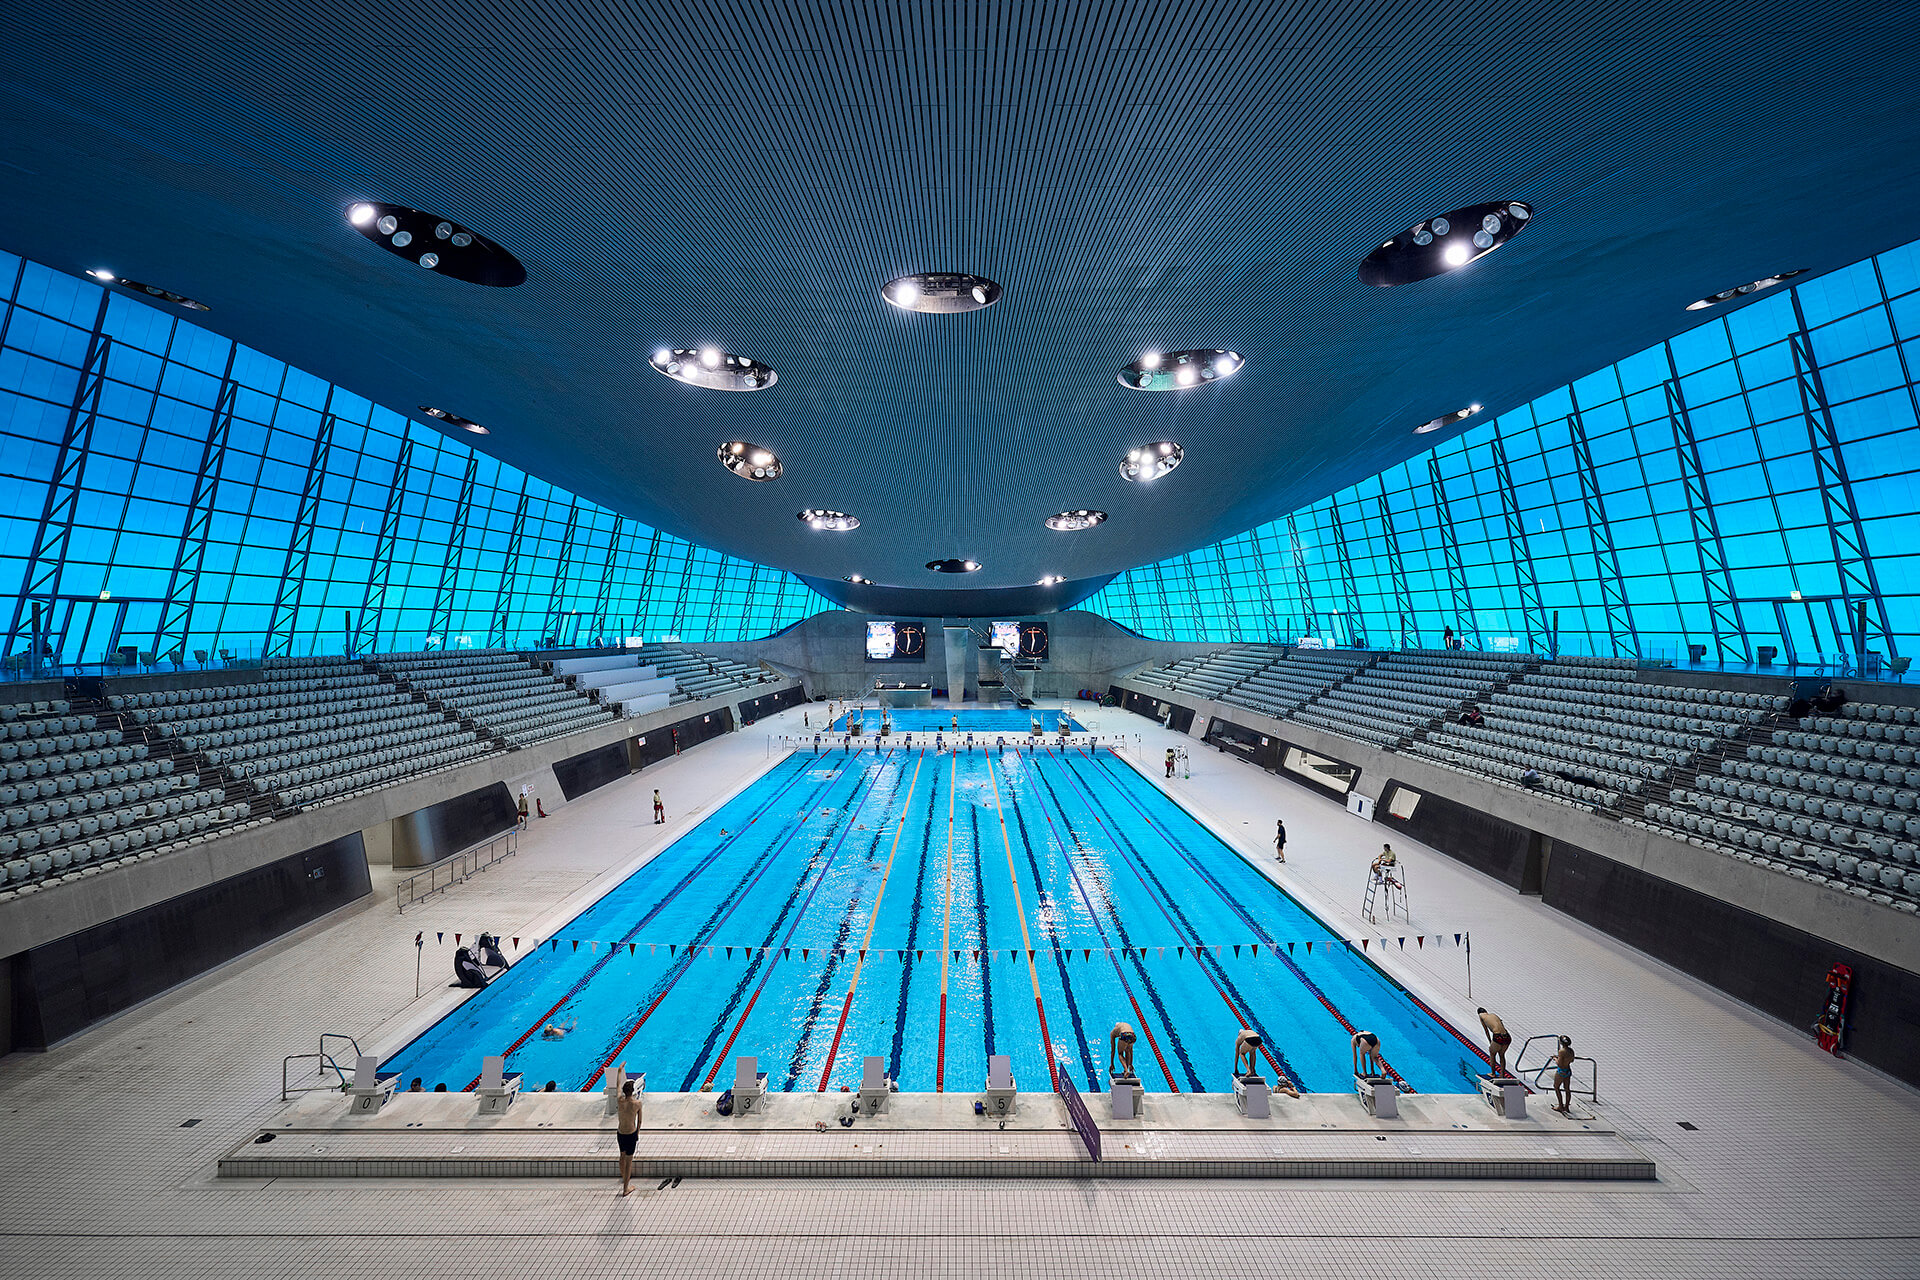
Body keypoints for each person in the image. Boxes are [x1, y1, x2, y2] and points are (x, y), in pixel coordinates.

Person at [615, 1078, 642, 1195]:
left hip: (620, 1133)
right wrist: (637, 1133)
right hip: (631, 1134)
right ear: (633, 1091)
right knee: (629, 1162)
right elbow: (639, 1121)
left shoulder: (620, 1101)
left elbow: (617, 1087)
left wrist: (620, 1071)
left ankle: (624, 1177)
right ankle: (626, 1188)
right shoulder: (637, 1104)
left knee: (622, 1155)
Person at [1478, 1008, 1512, 1074]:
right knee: (1502, 1055)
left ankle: (1493, 1073)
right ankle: (1502, 1075)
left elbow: (1486, 1031)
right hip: (1507, 1036)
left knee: (1492, 1053)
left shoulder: (1481, 1016)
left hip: (1498, 1036)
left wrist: (1490, 1041)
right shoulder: (1493, 1015)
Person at [1550, 1035, 1577, 1113]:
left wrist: (1555, 1058)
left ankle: (1560, 1106)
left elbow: (1560, 1064)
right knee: (1567, 1089)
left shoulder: (1561, 1051)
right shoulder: (1571, 1051)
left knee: (1556, 1087)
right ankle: (1567, 1107)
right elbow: (1572, 1060)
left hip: (1561, 1071)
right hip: (1568, 1070)